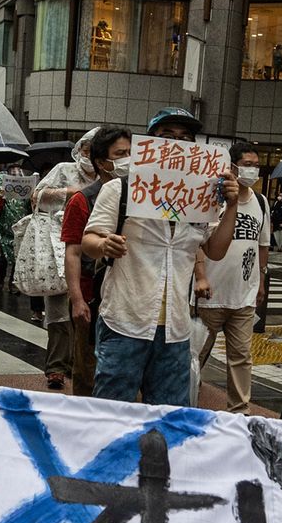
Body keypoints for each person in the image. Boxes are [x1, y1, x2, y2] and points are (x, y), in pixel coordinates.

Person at [82, 107, 241, 406]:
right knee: (113, 412)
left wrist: (231, 205)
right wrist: (105, 245)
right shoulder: (121, 189)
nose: (176, 145)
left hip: (175, 330)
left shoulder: (203, 198)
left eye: (185, 138)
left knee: (168, 415)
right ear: (150, 143)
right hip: (125, 322)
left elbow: (216, 249)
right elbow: (89, 239)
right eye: (167, 137)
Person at [193, 140, 270, 413]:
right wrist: (200, 276)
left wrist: (260, 280)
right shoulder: (211, 198)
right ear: (232, 167)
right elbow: (197, 242)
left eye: (256, 165)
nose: (253, 170)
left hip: (243, 295)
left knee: (241, 357)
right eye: (247, 165)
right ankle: (188, 399)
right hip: (210, 294)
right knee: (196, 354)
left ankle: (240, 411)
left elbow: (262, 244)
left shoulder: (261, 202)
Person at [58, 128, 133, 397]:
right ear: (102, 162)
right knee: (87, 369)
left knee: (125, 374)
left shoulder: (142, 197)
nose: (128, 159)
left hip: (128, 299)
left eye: (130, 153)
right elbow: (73, 252)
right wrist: (77, 299)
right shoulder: (82, 199)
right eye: (120, 154)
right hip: (91, 296)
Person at [35, 127, 102, 389]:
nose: (89, 155)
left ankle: (80, 365)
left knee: (86, 310)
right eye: (85, 149)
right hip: (57, 246)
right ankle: (55, 367)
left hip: (92, 253)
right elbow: (37, 196)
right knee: (57, 310)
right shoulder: (63, 170)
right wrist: (66, 192)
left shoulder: (111, 178)